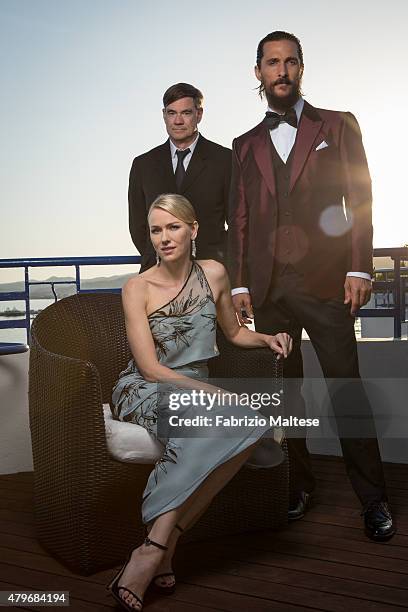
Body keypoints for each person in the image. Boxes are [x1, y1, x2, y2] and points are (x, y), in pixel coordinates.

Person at [228, 30, 395, 541]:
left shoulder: (338, 126)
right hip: (270, 288)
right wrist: (238, 285)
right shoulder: (245, 145)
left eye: (290, 62)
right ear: (258, 72)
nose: (281, 70)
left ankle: (374, 498)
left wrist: (360, 267)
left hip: (327, 283)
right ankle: (299, 486)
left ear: (302, 69)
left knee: (347, 388)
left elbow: (359, 196)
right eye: (271, 63)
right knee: (287, 396)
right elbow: (240, 220)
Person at [108, 193, 292, 611]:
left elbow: (233, 331)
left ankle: (159, 547)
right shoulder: (136, 287)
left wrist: (266, 337)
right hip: (148, 387)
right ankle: (155, 549)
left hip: (196, 389)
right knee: (215, 421)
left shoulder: (215, 273)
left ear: (194, 230)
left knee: (248, 425)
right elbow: (151, 368)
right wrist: (209, 394)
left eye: (173, 227)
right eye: (156, 230)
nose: (164, 238)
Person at [128, 82, 231, 272]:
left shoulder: (225, 160)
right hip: (158, 271)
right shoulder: (143, 164)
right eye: (171, 113)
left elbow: (237, 220)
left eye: (186, 113)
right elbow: (137, 225)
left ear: (199, 114)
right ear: (164, 115)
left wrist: (219, 260)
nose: (177, 121)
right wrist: (160, 257)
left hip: (210, 272)